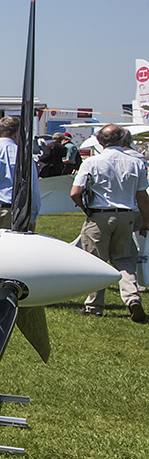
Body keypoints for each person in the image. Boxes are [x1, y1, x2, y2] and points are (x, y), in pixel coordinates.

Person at [69, 123, 149, 322]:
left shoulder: (91, 162)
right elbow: (142, 197)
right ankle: (132, 298)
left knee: (96, 261)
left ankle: (94, 306)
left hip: (99, 214)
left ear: (99, 141)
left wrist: (85, 209)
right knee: (125, 259)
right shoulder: (135, 163)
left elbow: (75, 192)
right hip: (126, 216)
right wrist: (146, 221)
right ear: (123, 139)